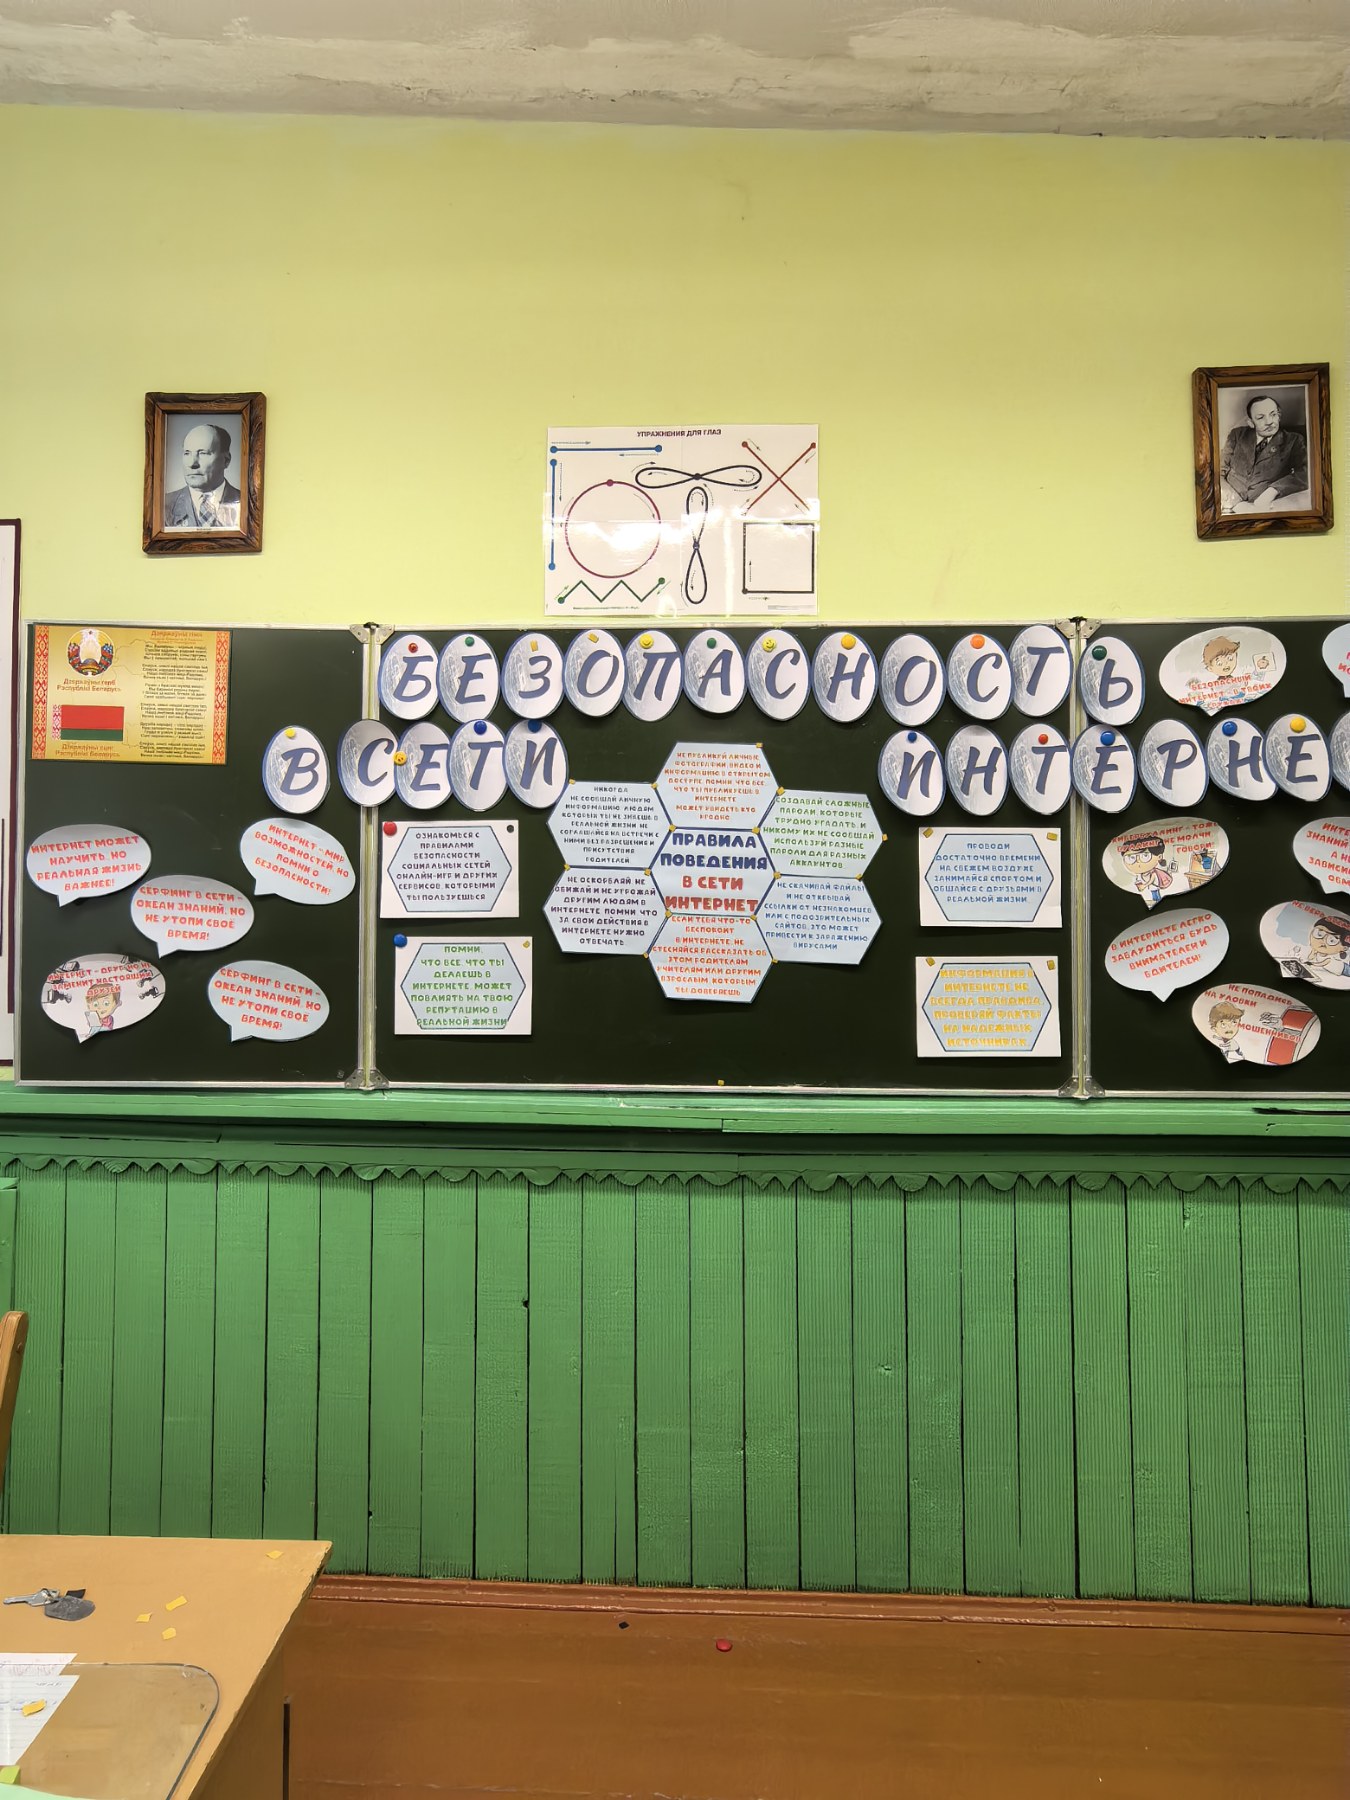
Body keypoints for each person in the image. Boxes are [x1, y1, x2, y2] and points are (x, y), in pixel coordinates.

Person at [1220, 394, 1308, 514]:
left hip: (1264, 507)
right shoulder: (1237, 435)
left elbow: (1305, 473)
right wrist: (1235, 502)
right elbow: (1218, 471)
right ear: (1251, 422)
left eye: (1273, 414)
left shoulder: (1294, 440)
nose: (1269, 422)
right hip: (1227, 504)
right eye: (1261, 417)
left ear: (1279, 416)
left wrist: (1273, 490)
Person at [163, 423, 241, 529]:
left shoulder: (247, 503)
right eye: (187, 453)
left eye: (203, 453)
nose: (192, 464)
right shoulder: (162, 504)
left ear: (226, 460)